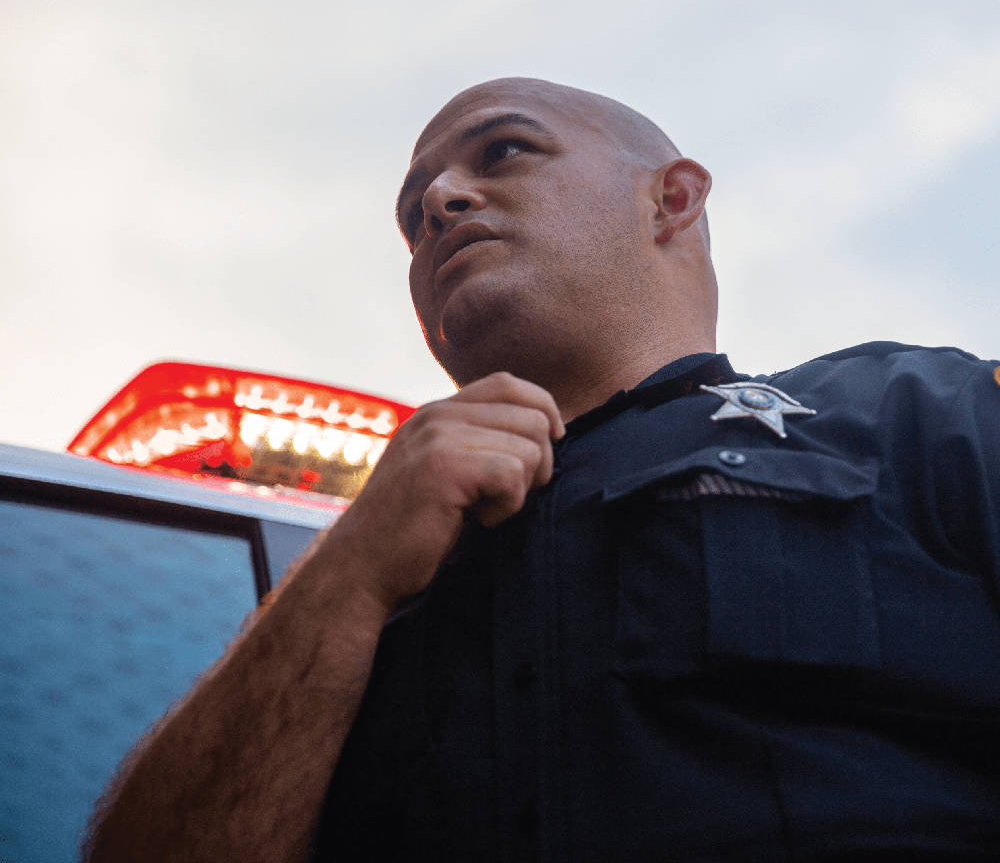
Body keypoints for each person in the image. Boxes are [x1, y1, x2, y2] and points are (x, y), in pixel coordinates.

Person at [83, 78, 1000, 862]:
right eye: (412, 216)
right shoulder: (362, 591)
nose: (441, 199)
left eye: (505, 151)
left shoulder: (923, 411)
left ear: (671, 200)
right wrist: (351, 572)